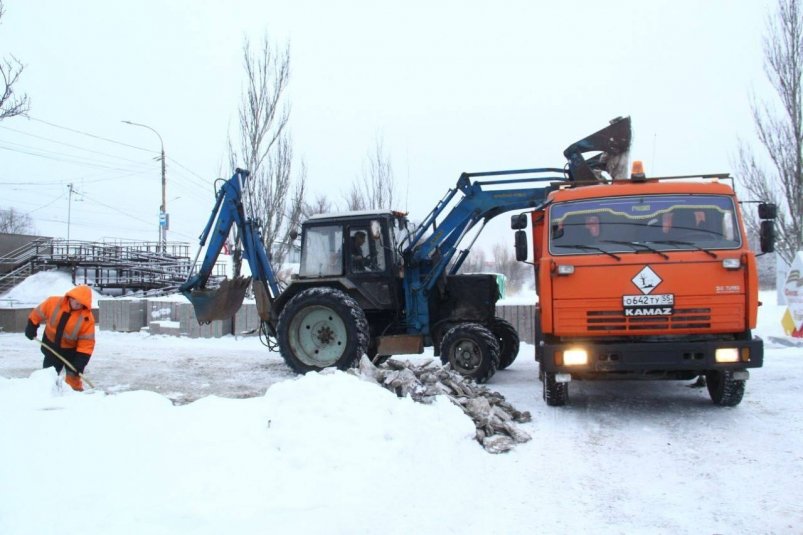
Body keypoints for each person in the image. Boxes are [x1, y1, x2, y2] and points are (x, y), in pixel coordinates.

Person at [24, 285, 96, 391]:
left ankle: (76, 396)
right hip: (51, 346)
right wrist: (32, 326)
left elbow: (86, 344)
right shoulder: (53, 303)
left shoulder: (87, 319)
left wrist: (80, 362)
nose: (79, 306)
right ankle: (47, 394)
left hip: (72, 351)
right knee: (49, 375)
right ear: (71, 297)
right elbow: (37, 313)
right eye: (77, 303)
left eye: (82, 304)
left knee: (73, 376)